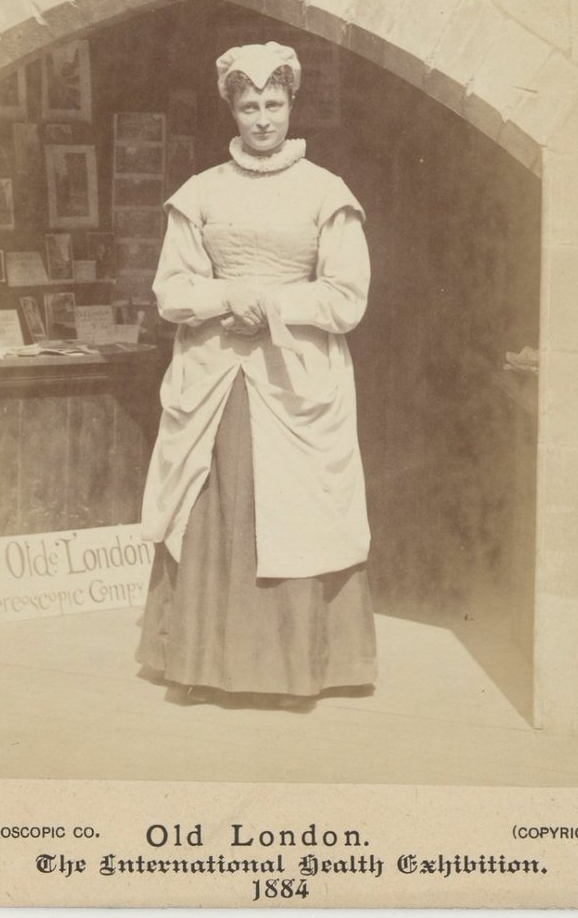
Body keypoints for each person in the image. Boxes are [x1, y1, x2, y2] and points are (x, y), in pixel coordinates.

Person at [137, 41, 376, 708]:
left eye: (273, 104)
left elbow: (345, 297)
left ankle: (293, 670)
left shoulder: (325, 193)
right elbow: (171, 288)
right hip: (216, 374)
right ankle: (205, 662)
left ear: (291, 105)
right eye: (249, 106)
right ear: (232, 110)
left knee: (295, 510)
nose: (262, 118)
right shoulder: (202, 193)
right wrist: (222, 299)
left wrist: (273, 304)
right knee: (215, 503)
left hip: (294, 376)